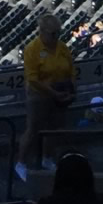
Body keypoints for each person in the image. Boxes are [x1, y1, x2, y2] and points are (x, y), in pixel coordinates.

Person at [16, 13, 75, 181]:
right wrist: (54, 93)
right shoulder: (32, 49)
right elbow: (33, 79)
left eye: (58, 33)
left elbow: (71, 69)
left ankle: (47, 159)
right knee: (33, 129)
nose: (56, 36)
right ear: (42, 31)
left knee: (53, 129)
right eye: (53, 33)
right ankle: (21, 163)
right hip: (39, 95)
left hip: (60, 93)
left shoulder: (62, 47)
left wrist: (71, 90)